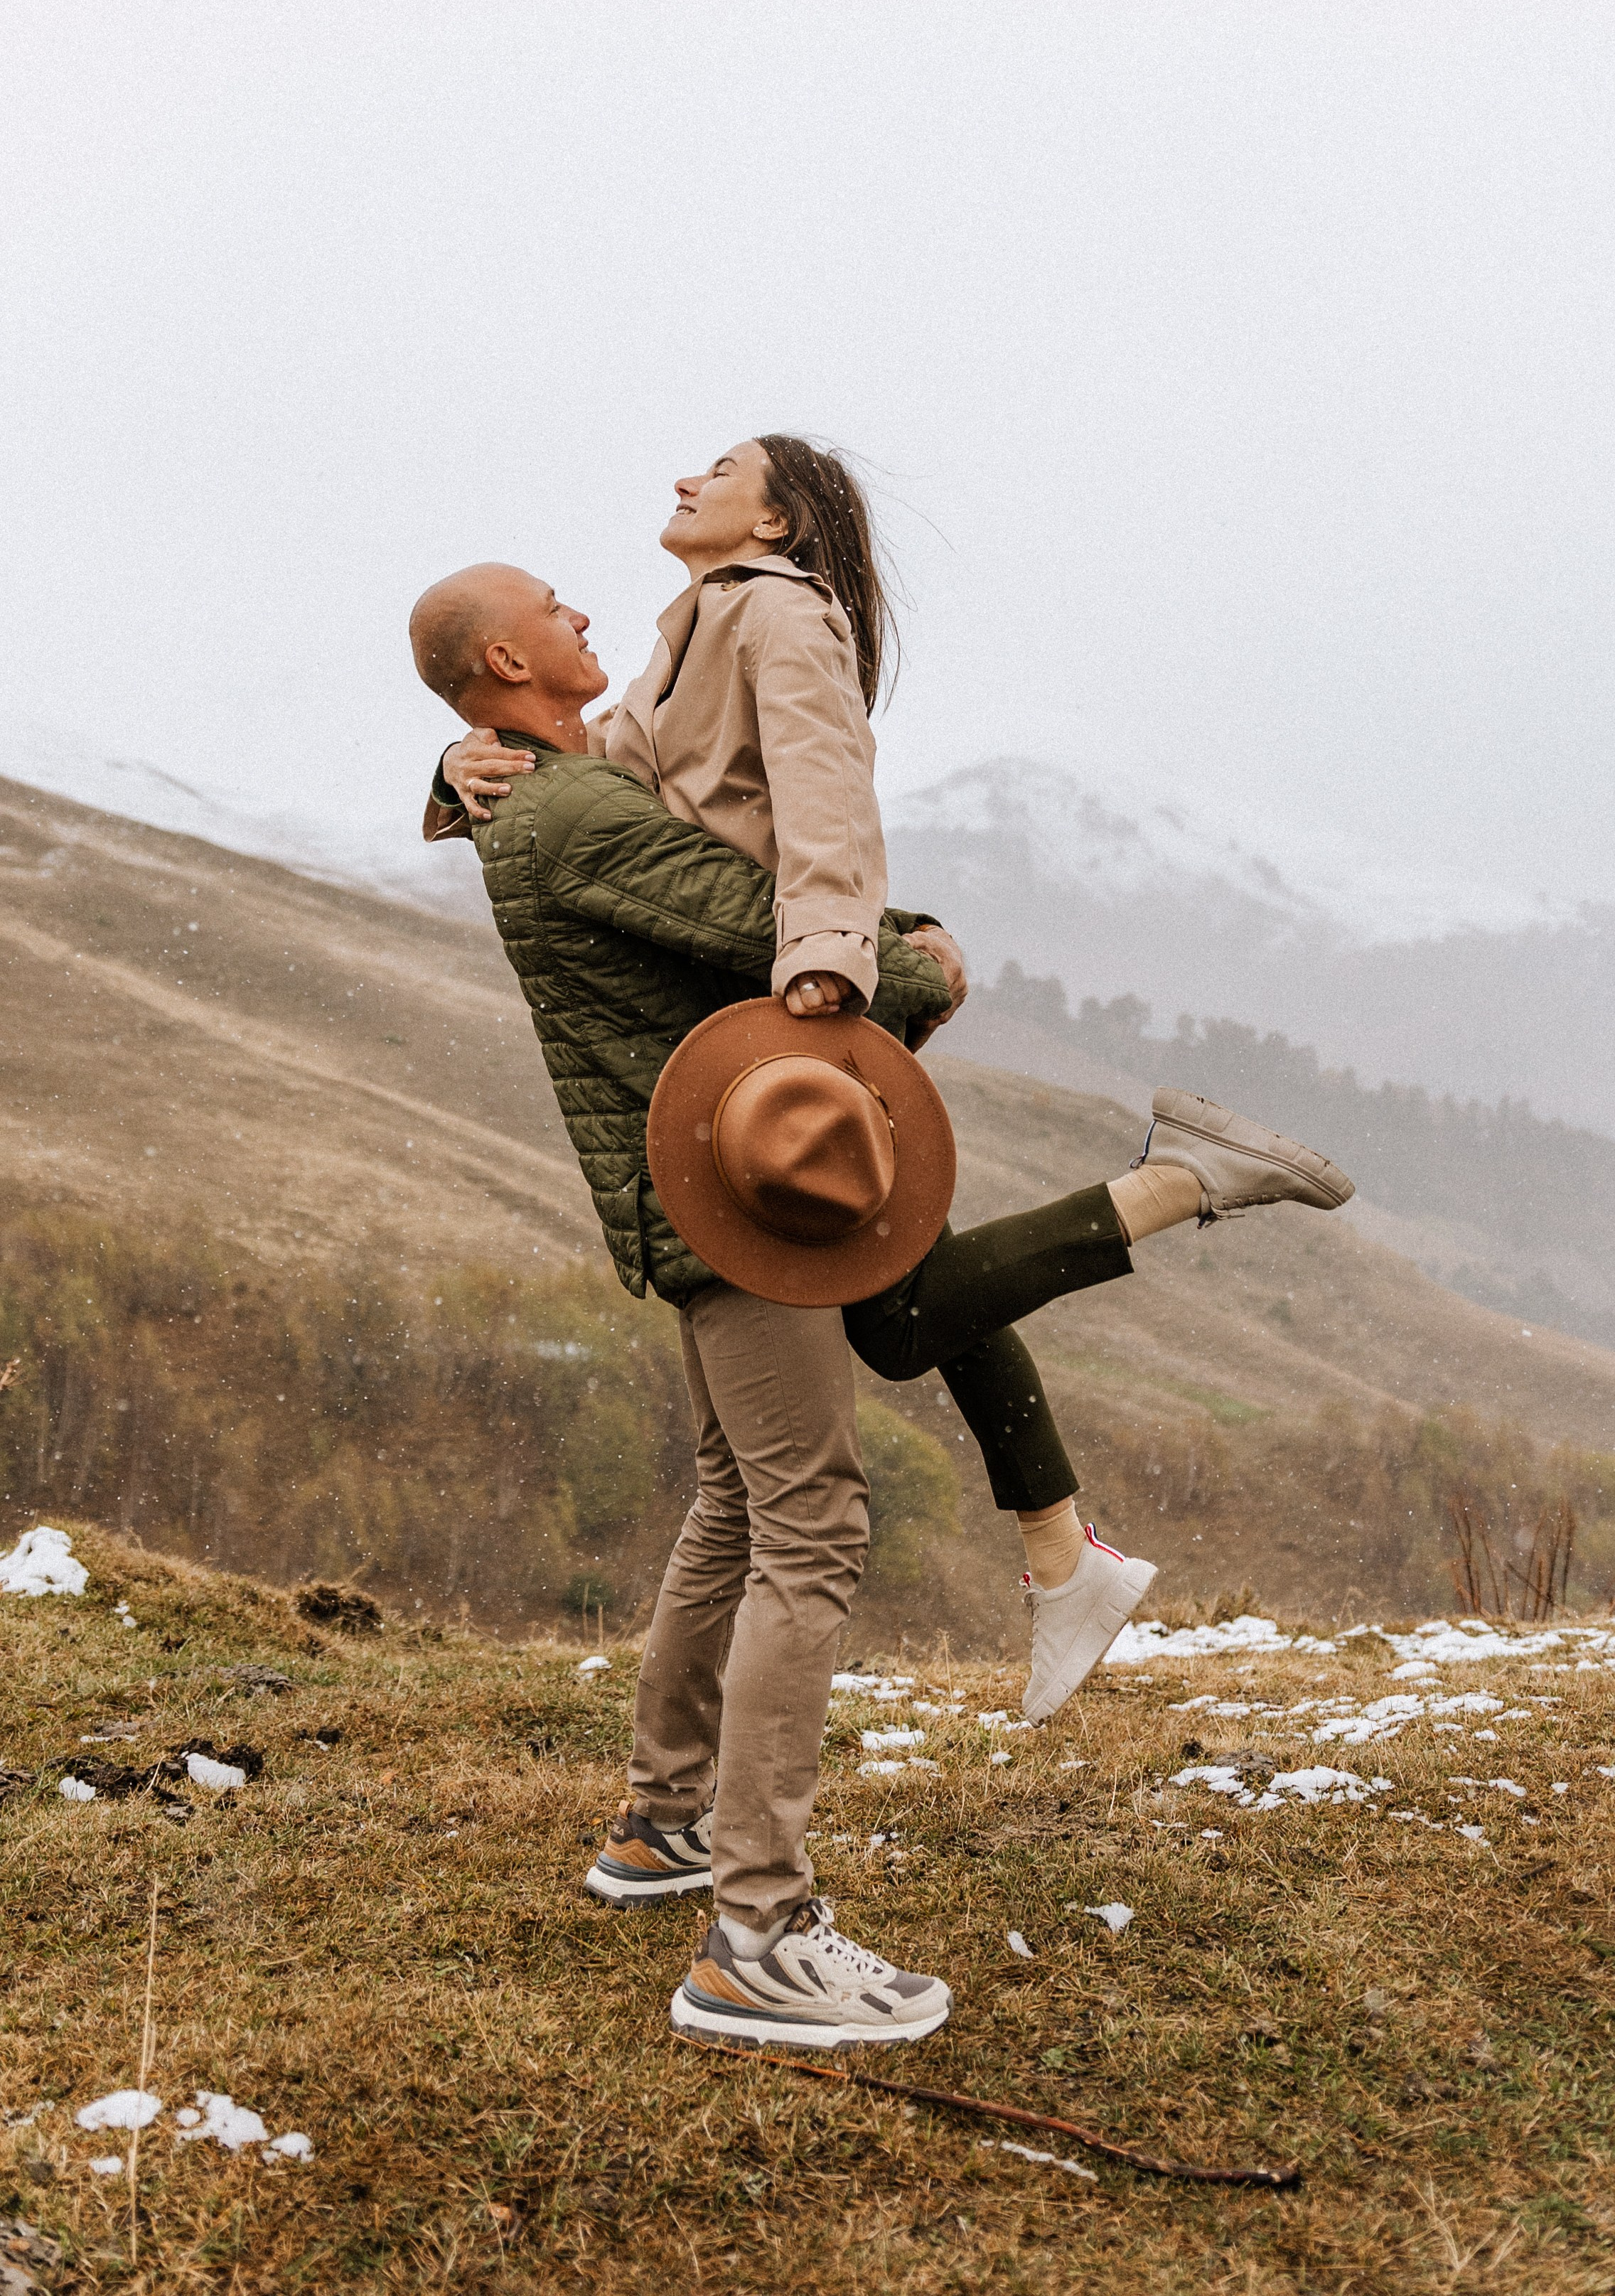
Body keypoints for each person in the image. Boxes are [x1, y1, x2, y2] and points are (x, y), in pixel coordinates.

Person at [407, 559, 1354, 2048]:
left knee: (735, 1505)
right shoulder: (572, 813)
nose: (588, 614)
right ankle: (756, 1936)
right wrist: (911, 958)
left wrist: (449, 774)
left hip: (706, 1186)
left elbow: (684, 884)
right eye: (557, 608)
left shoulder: (534, 790)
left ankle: (665, 1824)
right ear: (508, 659)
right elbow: (767, 929)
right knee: (808, 1529)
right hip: (732, 1200)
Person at [425, 439, 1195, 1706]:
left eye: (718, 467)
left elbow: (825, 800)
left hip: (786, 998)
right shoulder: (686, 635)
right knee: (907, 1294)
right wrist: (460, 767)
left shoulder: (775, 611)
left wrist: (853, 965)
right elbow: (588, 778)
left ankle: (1170, 1219)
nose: (682, 475)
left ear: (775, 517)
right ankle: (1065, 1541)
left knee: (881, 1328)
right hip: (751, 1012)